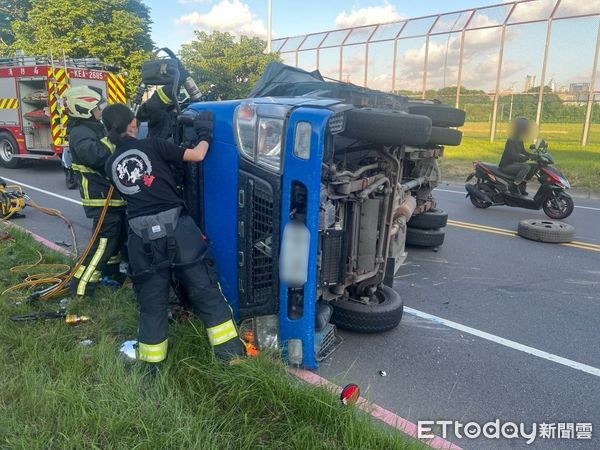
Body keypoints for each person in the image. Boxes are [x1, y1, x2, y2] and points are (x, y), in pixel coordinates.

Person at [102, 103, 246, 363]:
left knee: (152, 304)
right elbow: (197, 156)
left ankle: (151, 367)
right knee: (204, 290)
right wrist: (205, 134)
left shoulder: (111, 165)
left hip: (142, 243)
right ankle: (231, 357)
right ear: (133, 123)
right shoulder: (153, 145)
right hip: (179, 233)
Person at [64, 85, 127, 296]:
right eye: (97, 108)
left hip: (111, 198)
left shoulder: (91, 128)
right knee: (102, 245)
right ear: (83, 108)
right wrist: (114, 137)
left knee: (114, 243)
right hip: (101, 199)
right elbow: (95, 156)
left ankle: (111, 275)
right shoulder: (80, 133)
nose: (100, 111)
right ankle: (81, 288)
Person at [499, 116, 536, 195]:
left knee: (534, 166)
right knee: (526, 167)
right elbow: (514, 156)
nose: (526, 130)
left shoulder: (519, 139)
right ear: (520, 128)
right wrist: (526, 158)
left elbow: (523, 151)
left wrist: (533, 155)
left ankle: (522, 185)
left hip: (514, 164)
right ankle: (514, 185)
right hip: (506, 165)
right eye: (525, 128)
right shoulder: (511, 140)